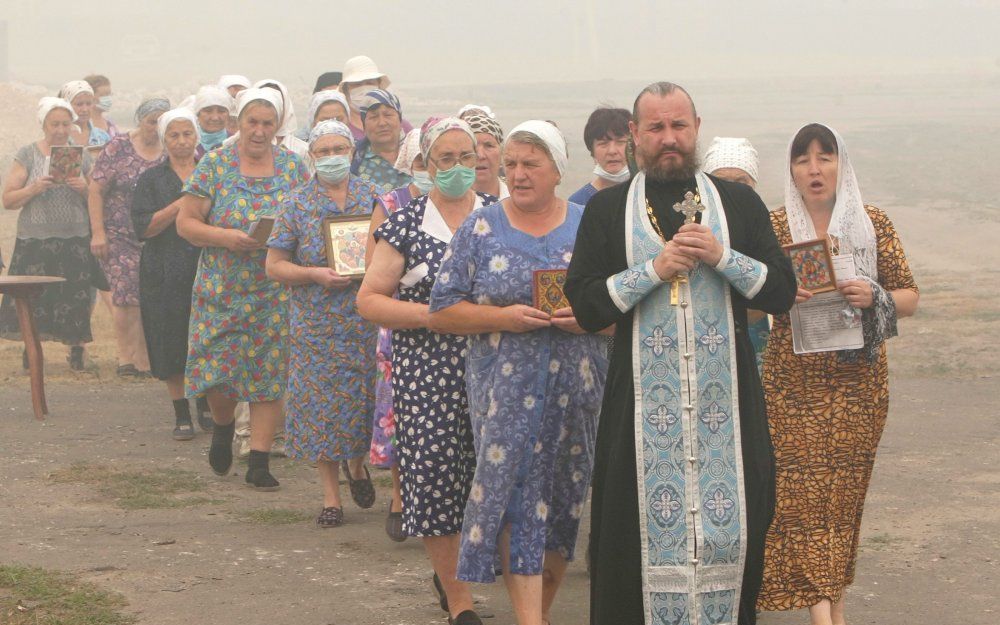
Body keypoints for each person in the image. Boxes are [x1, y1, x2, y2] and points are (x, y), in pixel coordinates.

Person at [564, 81, 797, 625]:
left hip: (728, 413)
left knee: (734, 539)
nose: (669, 138)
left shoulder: (737, 203)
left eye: (679, 126)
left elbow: (781, 292)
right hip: (638, 419)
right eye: (656, 128)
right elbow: (586, 307)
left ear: (696, 129)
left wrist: (722, 255)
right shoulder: (606, 209)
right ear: (634, 136)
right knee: (631, 546)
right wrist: (653, 271)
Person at [430, 120, 609, 625]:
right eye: (510, 164)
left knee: (563, 501)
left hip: (578, 391)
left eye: (531, 164)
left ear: (557, 169)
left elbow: (623, 306)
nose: (518, 174)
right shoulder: (482, 228)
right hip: (503, 394)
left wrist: (592, 318)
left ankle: (541, 612)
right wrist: (501, 317)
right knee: (514, 501)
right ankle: (529, 619)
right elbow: (442, 309)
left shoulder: (588, 226)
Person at [757, 123, 919, 625]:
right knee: (799, 499)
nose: (814, 168)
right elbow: (750, 297)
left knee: (841, 503)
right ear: (791, 169)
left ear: (841, 164)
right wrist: (780, 297)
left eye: (824, 157)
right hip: (792, 383)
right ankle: (826, 617)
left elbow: (910, 296)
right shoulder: (774, 227)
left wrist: (876, 296)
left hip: (857, 385)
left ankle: (831, 609)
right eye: (803, 159)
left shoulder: (872, 224)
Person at [357, 117, 497, 625]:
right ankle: (461, 604)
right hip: (426, 369)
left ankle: (470, 571)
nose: (458, 168)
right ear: (425, 164)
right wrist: (432, 317)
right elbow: (369, 300)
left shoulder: (498, 217)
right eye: (446, 159)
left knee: (490, 473)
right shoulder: (405, 222)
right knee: (436, 475)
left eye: (467, 158)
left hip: (494, 367)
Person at [176, 88, 308, 490]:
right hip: (222, 288)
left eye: (268, 123)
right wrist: (225, 236)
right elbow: (187, 224)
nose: (259, 130)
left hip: (273, 289)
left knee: (269, 374)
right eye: (252, 122)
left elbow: (306, 217)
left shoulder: (292, 168)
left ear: (277, 127)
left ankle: (260, 459)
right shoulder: (214, 165)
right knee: (219, 372)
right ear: (238, 124)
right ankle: (221, 425)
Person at [265, 120, 379, 526]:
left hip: (366, 320)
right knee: (321, 408)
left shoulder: (373, 196)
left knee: (366, 399)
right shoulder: (295, 203)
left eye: (339, 149)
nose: (332, 157)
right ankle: (332, 498)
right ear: (311, 156)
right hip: (316, 324)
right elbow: (274, 265)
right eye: (323, 151)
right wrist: (312, 274)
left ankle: (358, 465)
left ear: (352, 151)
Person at [365, 125, 432, 542]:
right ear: (410, 162)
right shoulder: (391, 204)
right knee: (397, 413)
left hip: (457, 326)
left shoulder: (475, 204)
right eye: (422, 162)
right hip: (400, 324)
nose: (430, 170)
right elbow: (374, 270)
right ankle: (399, 495)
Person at [130, 108, 212, 439]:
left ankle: (206, 405)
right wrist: (181, 205)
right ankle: (181, 413)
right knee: (170, 338)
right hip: (162, 269)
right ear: (164, 140)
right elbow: (143, 228)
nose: (181, 141)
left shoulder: (211, 173)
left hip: (204, 265)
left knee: (205, 338)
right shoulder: (151, 179)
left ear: (197, 137)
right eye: (173, 135)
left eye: (187, 134)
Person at [0, 97, 98, 370]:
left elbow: (98, 199)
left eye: (65, 124)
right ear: (43, 124)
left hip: (74, 237)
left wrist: (84, 188)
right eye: (54, 124)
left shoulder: (82, 155)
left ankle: (77, 352)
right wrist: (34, 189)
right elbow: (8, 200)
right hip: (35, 238)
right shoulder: (28, 154)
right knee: (33, 298)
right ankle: (31, 351)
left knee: (75, 295)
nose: (60, 129)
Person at [89, 98, 170, 378]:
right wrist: (98, 232)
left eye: (162, 122)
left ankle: (146, 359)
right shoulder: (118, 147)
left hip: (156, 234)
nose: (156, 128)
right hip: (119, 234)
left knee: (150, 296)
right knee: (125, 296)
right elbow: (96, 189)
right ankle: (127, 358)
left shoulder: (171, 151)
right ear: (140, 120)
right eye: (151, 121)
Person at [702, 136, 770, 371]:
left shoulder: (766, 233)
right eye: (722, 182)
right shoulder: (694, 234)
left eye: (741, 182)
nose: (731, 191)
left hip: (757, 344)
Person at [568, 106, 632, 207]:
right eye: (603, 144)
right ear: (592, 151)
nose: (612, 151)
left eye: (620, 142)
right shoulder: (577, 203)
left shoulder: (646, 193)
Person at [351, 90, 411, 194]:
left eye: (388, 115)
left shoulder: (418, 154)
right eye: (373, 117)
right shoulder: (354, 159)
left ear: (400, 120)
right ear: (364, 125)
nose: (382, 123)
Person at [459, 110, 508, 199]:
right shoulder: (441, 203)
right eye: (472, 146)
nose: (480, 155)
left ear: (502, 152)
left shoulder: (519, 198)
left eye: (488, 146)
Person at [339, 55, 391, 141]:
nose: (364, 88)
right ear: (346, 90)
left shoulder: (398, 125)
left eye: (369, 82)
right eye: (357, 84)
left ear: (378, 85)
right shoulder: (340, 128)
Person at [192, 85, 234, 158]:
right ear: (198, 114)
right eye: (208, 111)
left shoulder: (236, 144)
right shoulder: (187, 143)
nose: (215, 118)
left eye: (221, 111)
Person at [59, 80, 103, 149]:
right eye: (79, 104)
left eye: (88, 104)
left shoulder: (102, 137)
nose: (85, 109)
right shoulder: (58, 136)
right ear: (66, 106)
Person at [84, 74, 119, 144]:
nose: (108, 98)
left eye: (109, 94)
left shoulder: (110, 125)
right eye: (104, 95)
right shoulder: (82, 125)